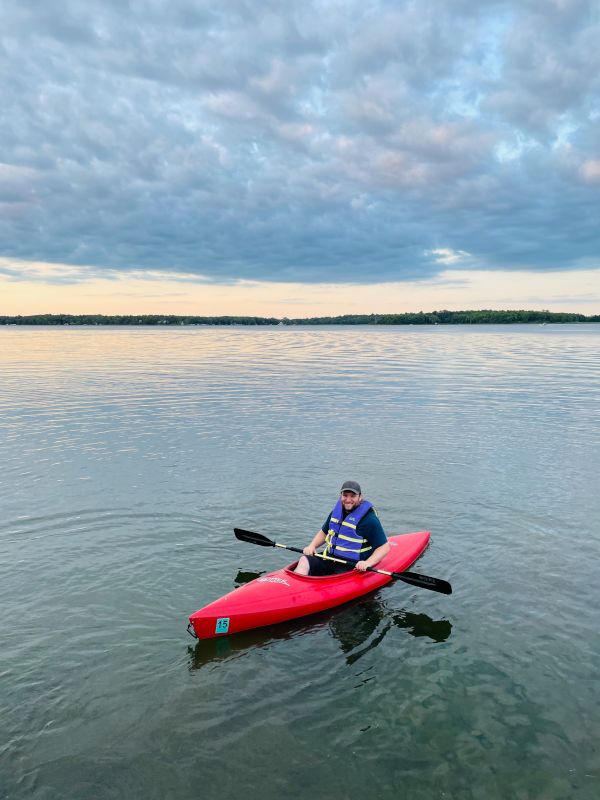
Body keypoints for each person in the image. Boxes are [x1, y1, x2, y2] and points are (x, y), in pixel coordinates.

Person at [294, 481, 390, 576]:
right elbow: (324, 532)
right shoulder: (336, 513)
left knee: (332, 577)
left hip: (351, 566)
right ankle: (295, 586)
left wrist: (367, 563)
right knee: (304, 559)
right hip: (329, 559)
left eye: (353, 496)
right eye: (345, 495)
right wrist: (312, 546)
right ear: (341, 496)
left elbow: (384, 547)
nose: (348, 499)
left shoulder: (369, 520)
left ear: (360, 497)